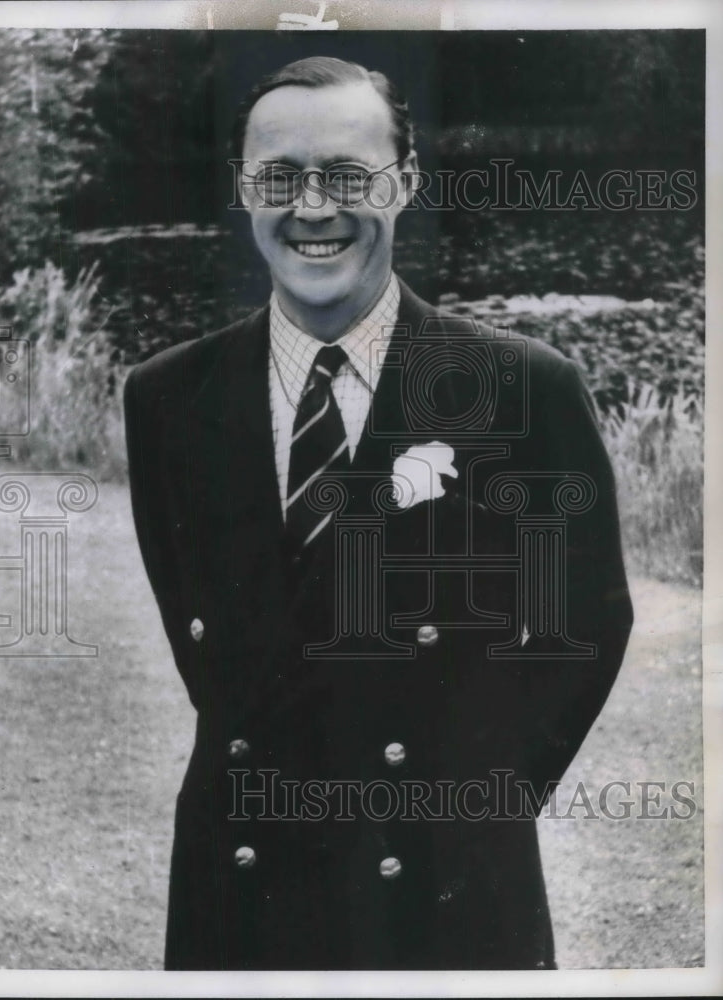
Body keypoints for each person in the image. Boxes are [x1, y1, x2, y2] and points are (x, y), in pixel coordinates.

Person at [124, 55, 633, 971]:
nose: (312, 205)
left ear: (404, 186)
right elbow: (213, 652)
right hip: (238, 882)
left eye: (349, 175)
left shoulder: (523, 390)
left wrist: (472, 806)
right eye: (278, 176)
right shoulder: (165, 399)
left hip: (449, 892)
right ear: (243, 190)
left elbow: (585, 631)